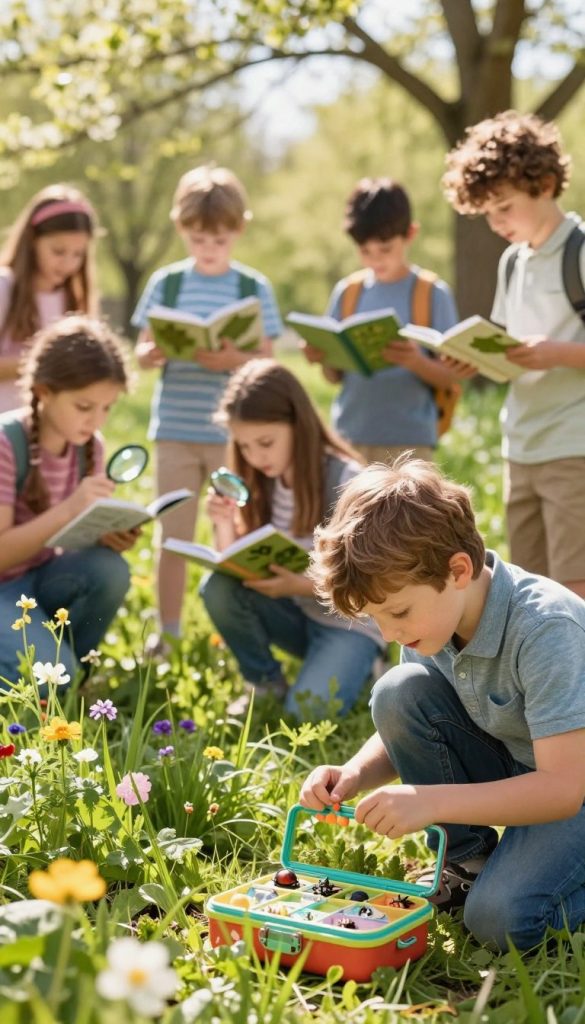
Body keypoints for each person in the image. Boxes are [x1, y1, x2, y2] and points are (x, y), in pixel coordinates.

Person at [299, 457, 585, 951]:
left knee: (501, 922)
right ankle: (470, 865)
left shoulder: (546, 630)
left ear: (458, 570)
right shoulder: (435, 616)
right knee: (398, 689)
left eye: (397, 614)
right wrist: (353, 774)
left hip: (570, 786)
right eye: (376, 619)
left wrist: (431, 801)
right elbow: (416, 714)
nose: (389, 634)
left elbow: (563, 790)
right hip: (527, 764)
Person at [132, 166, 282, 648]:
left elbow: (267, 360)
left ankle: (242, 632)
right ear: (182, 228)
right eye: (198, 238)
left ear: (238, 230)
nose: (208, 247)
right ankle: (168, 631)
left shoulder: (252, 287)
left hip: (230, 438)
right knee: (172, 535)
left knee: (237, 533)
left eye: (218, 238)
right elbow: (141, 348)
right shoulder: (167, 284)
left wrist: (232, 359)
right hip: (174, 429)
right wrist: (151, 353)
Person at [442, 110, 585, 598]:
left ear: (544, 184)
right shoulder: (512, 262)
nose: (496, 222)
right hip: (519, 444)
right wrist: (474, 359)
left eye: (504, 207)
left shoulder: (579, 252)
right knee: (534, 588)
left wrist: (557, 354)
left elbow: (547, 351)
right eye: (487, 213)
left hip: (573, 445)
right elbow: (510, 349)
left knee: (574, 583)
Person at [199, 358, 384, 717]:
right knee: (218, 586)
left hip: (349, 622)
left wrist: (298, 585)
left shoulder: (345, 478)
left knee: (307, 714)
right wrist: (223, 523)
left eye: (265, 443)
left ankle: (365, 668)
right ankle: (265, 682)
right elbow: (234, 564)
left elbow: (372, 582)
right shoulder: (261, 478)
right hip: (296, 617)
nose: (255, 457)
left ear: (298, 425)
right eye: (245, 446)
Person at [0, 315, 136, 688]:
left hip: (36, 580)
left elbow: (64, 539)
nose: (95, 420)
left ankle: (74, 667)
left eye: (107, 408)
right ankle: (57, 675)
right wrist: (71, 509)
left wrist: (103, 535)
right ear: (44, 391)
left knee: (109, 569)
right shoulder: (6, 444)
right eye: (84, 406)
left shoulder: (88, 447)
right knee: (53, 679)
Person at [304, 177, 459, 464]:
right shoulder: (348, 293)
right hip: (350, 437)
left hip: (411, 443)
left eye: (385, 249)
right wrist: (324, 357)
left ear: (410, 234)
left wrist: (415, 361)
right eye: (365, 251)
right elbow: (334, 378)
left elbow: (452, 375)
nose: (375, 260)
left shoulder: (431, 294)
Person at [0, 184, 99, 414]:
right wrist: (42, 363)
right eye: (58, 251)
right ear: (33, 241)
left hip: (49, 436)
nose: (68, 264)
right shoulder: (5, 286)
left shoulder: (73, 299)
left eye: (78, 254)